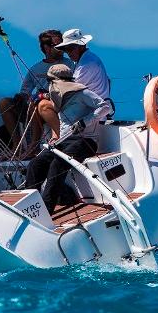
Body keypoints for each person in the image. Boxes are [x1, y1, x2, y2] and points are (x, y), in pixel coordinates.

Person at [24, 64, 111, 214]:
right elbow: (59, 121)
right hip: (63, 141)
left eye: (50, 81)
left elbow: (105, 107)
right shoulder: (57, 95)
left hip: (85, 141)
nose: (49, 85)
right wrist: (54, 137)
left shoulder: (82, 93)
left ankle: (46, 210)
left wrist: (85, 121)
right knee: (35, 164)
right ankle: (30, 207)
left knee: (57, 164)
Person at [0, 30, 72, 155]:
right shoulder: (35, 68)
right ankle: (17, 145)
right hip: (37, 107)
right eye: (57, 45)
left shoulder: (70, 64)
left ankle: (34, 145)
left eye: (62, 44)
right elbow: (25, 92)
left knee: (36, 102)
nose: (62, 48)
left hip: (55, 105)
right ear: (46, 48)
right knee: (4, 103)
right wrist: (20, 97)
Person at [54, 28, 110, 100]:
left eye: (71, 48)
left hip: (93, 107)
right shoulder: (85, 59)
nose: (68, 53)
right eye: (66, 50)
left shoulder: (87, 63)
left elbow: (72, 90)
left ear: (82, 46)